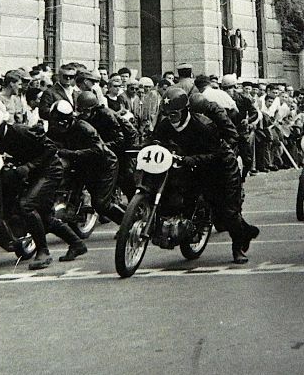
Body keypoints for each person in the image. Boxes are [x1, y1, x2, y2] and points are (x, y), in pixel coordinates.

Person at [149, 87, 257, 263]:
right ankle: (182, 228)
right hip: (194, 164)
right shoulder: (165, 124)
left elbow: (217, 154)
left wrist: (192, 159)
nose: (170, 117)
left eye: (174, 113)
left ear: (185, 110)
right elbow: (155, 140)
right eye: (167, 114)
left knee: (228, 211)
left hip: (222, 167)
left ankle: (238, 247)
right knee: (182, 195)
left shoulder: (204, 125)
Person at [0, 104, 87, 266]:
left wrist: (29, 166)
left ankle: (43, 251)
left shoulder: (21, 131)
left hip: (49, 170)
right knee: (44, 217)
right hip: (31, 172)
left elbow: (51, 148)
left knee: (26, 206)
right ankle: (77, 244)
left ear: (0, 125)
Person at [44, 99, 122, 225]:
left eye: (61, 121)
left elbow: (99, 150)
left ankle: (127, 223)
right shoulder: (54, 128)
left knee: (101, 204)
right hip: (82, 165)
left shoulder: (84, 128)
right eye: (54, 121)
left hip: (104, 165)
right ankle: (70, 211)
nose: (57, 125)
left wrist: (71, 153)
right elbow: (47, 143)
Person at [75, 90, 139, 201]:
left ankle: (134, 204)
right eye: (81, 110)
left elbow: (120, 139)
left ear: (94, 109)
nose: (83, 113)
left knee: (124, 177)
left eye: (86, 111)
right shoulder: (83, 119)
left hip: (124, 145)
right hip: (104, 147)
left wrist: (101, 146)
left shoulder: (107, 115)